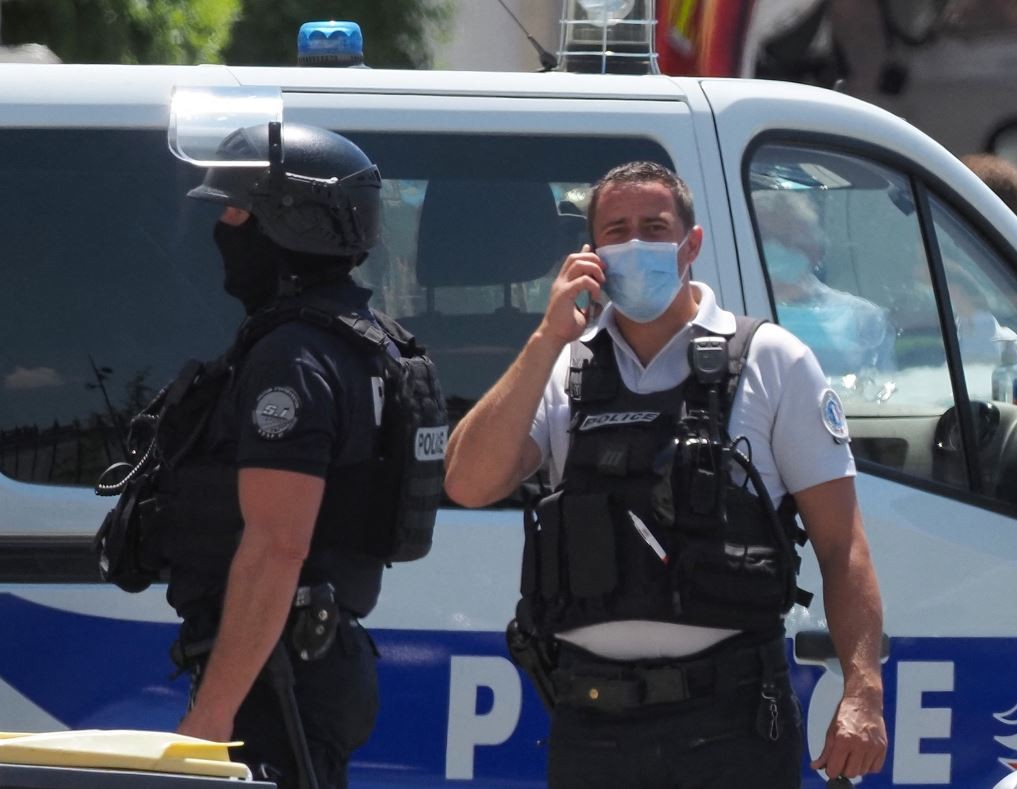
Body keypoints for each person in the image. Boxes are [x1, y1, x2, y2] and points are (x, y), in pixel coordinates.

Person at [444, 161, 887, 787]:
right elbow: (467, 482)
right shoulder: (564, 366)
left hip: (731, 723)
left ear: (691, 243)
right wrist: (546, 337)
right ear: (591, 253)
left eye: (653, 227)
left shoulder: (771, 359)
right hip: (594, 727)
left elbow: (844, 546)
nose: (635, 245)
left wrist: (863, 693)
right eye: (616, 231)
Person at [103, 123, 445, 787]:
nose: (224, 228)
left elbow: (276, 546)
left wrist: (210, 718)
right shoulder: (360, 341)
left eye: (238, 211)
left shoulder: (293, 356)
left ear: (286, 227)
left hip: (282, 677)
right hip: (305, 660)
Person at [752, 188, 896, 376]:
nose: (779, 247)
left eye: (791, 239)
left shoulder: (863, 317)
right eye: (768, 237)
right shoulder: (728, 308)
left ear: (816, 251)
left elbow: (885, 392)